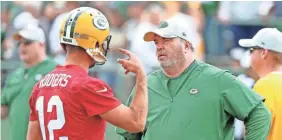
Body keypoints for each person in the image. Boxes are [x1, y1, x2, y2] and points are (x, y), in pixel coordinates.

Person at [116, 19, 271, 140]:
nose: (159, 46)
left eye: (167, 40)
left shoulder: (218, 79)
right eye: (156, 42)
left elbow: (259, 114)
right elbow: (129, 130)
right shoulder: (147, 84)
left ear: (186, 45)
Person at [26, 7, 148, 140]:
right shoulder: (88, 85)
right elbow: (136, 123)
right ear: (94, 42)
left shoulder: (40, 86)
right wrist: (141, 76)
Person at [1, 24, 56, 140]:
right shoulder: (15, 76)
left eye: (27, 42)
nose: (22, 47)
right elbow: (3, 111)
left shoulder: (55, 71)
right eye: (19, 43)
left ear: (41, 44)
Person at [239, 28, 282, 140]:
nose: (250, 55)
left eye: (251, 50)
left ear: (264, 52)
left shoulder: (266, 84)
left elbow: (256, 133)